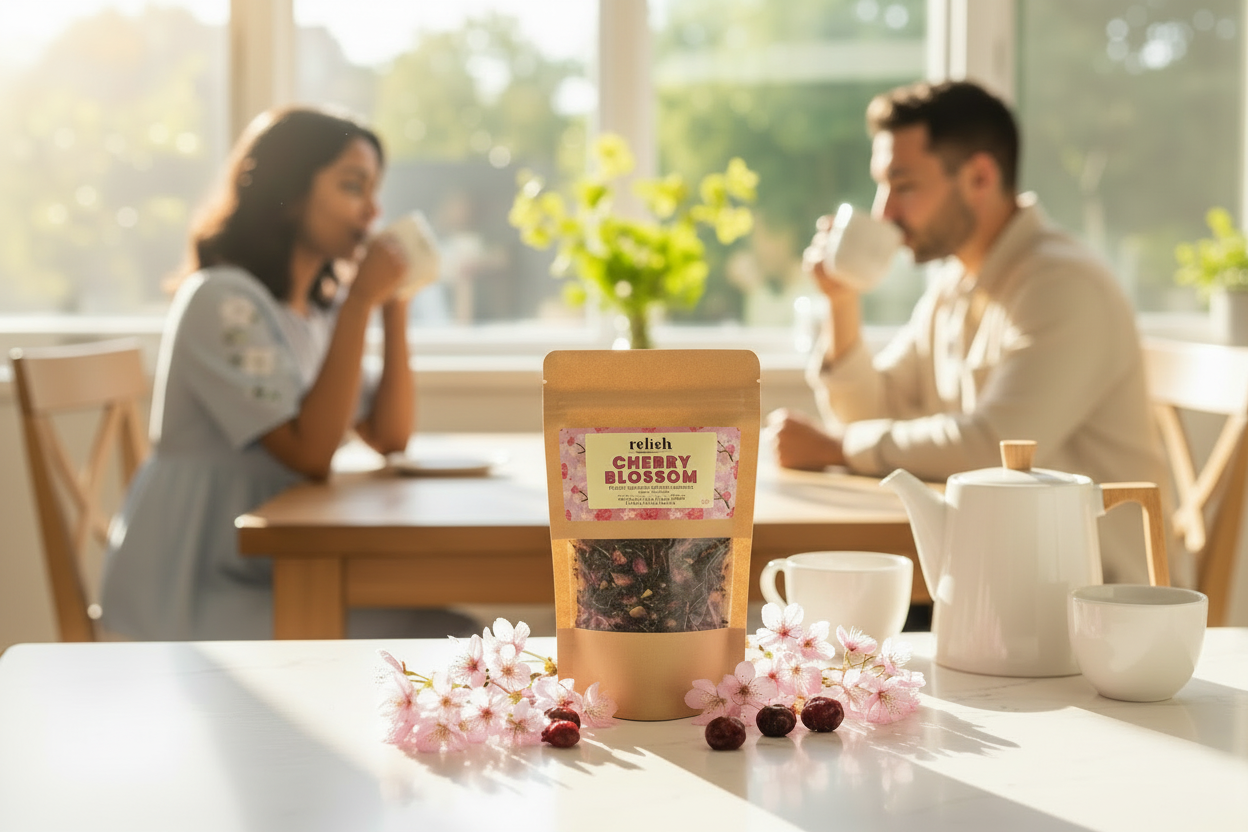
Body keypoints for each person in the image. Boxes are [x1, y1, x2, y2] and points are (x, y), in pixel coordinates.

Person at [768, 80, 1176, 586]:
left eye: (903, 185)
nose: (884, 212)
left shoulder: (1063, 286)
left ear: (979, 177)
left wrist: (838, 447)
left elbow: (993, 449)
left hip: (1095, 600)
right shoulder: (956, 285)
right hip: (1008, 579)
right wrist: (841, 301)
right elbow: (870, 412)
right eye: (882, 186)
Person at [100, 106, 477, 639]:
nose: (373, 211)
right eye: (353, 186)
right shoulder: (221, 303)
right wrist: (360, 301)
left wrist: (392, 307)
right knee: (446, 634)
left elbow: (389, 435)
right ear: (290, 191)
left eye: (374, 191)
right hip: (193, 590)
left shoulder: (313, 316)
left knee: (446, 626)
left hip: (272, 570)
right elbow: (309, 454)